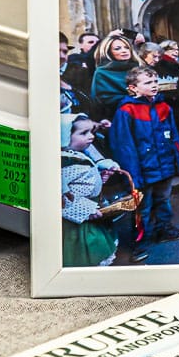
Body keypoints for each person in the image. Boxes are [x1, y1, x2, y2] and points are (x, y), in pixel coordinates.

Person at [107, 67, 179, 247]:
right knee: (142, 206)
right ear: (133, 88)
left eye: (155, 81)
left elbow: (174, 136)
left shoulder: (164, 107)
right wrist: (133, 175)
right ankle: (139, 241)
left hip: (165, 165)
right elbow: (124, 146)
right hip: (143, 169)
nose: (154, 85)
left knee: (163, 199)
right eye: (148, 83)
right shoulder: (126, 111)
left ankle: (164, 229)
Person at [60, 113, 119, 267]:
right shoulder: (63, 164)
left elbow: (80, 180)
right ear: (64, 136)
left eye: (91, 131)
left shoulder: (77, 155)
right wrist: (85, 210)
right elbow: (60, 197)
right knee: (86, 253)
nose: (91, 136)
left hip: (91, 211)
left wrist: (99, 177)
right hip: (79, 221)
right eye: (83, 133)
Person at [89, 31, 138, 120]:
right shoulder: (102, 72)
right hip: (118, 116)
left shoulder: (139, 68)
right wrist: (135, 97)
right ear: (109, 52)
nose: (124, 51)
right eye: (117, 48)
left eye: (126, 47)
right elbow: (104, 99)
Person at [59, 33, 94, 116]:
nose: (62, 56)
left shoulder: (80, 72)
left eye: (65, 52)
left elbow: (91, 105)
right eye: (55, 51)